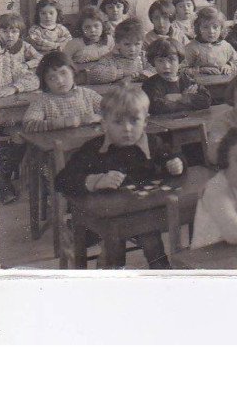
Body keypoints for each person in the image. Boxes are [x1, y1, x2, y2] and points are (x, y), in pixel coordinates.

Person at [55, 84, 185, 268]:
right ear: (104, 124)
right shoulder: (93, 149)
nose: (127, 129)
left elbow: (174, 156)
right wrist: (95, 181)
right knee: (113, 246)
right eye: (118, 122)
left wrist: (176, 164)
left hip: (141, 215)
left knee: (152, 240)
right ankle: (112, 279)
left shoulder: (153, 143)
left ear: (146, 122)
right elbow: (61, 180)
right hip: (97, 219)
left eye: (134, 121)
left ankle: (163, 277)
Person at [23, 51, 102, 132]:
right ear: (45, 83)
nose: (60, 81)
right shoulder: (41, 101)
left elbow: (110, 110)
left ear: (72, 71)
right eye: (52, 78)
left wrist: (99, 117)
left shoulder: (88, 94)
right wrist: (65, 122)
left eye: (63, 73)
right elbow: (29, 124)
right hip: (57, 143)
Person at [142, 38, 211, 115]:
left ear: (179, 61)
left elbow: (206, 101)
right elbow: (156, 108)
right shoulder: (150, 84)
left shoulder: (187, 79)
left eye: (171, 60)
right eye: (160, 61)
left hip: (188, 122)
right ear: (153, 62)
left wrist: (179, 97)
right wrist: (188, 100)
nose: (166, 66)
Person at [82, 17, 152, 84]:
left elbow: (155, 68)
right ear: (117, 43)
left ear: (142, 43)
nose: (132, 49)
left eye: (137, 44)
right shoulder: (110, 59)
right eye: (127, 44)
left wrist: (143, 74)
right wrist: (123, 73)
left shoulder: (144, 56)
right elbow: (94, 74)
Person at [184, 7, 237, 76]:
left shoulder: (225, 46)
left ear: (221, 28)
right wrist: (200, 70)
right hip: (201, 84)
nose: (211, 31)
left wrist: (229, 66)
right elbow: (181, 70)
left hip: (224, 84)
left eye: (215, 27)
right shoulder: (191, 47)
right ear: (199, 28)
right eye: (205, 27)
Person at [0, 12, 41, 96]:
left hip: (8, 96)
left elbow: (34, 79)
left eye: (14, 31)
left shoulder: (10, 59)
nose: (9, 35)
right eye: (4, 31)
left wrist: (15, 88)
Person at [63, 6, 114, 75]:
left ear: (103, 26)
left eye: (96, 26)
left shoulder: (109, 40)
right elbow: (64, 59)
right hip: (81, 73)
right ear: (81, 28)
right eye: (87, 27)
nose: (92, 30)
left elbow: (114, 56)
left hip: (104, 73)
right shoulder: (75, 43)